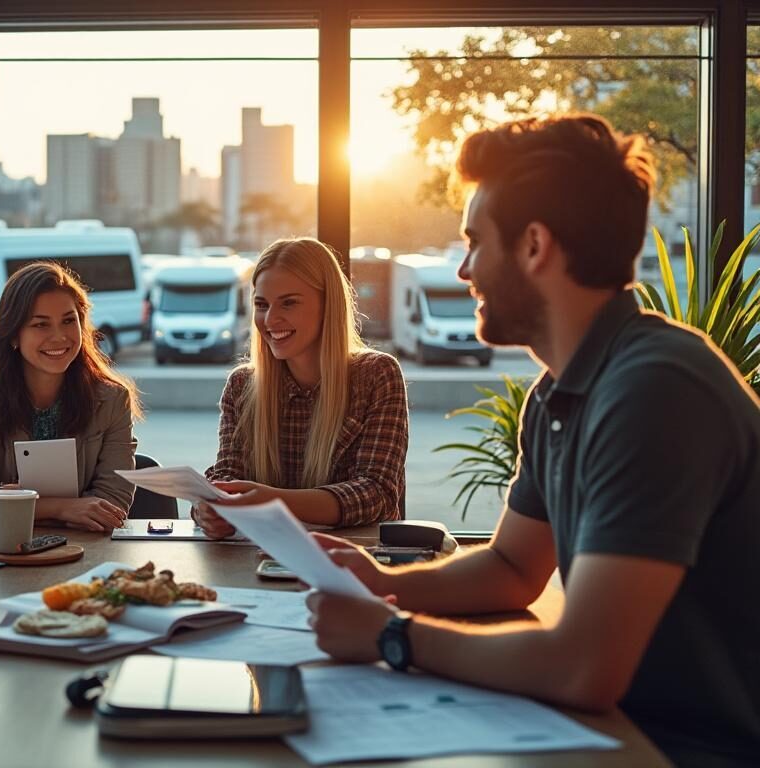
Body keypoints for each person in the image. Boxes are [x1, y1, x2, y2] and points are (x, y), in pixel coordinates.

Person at [308, 115, 760, 767]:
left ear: (534, 246)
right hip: (614, 729)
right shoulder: (559, 393)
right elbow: (514, 569)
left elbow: (585, 667)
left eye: (473, 242)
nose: (463, 269)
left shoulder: (656, 388)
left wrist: (392, 636)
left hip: (691, 748)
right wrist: (384, 585)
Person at [191, 237, 408, 536]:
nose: (270, 319)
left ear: (328, 305)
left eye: (289, 303)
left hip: (354, 563)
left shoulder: (376, 375)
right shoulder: (242, 386)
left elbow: (377, 494)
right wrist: (209, 509)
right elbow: (227, 474)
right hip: (258, 560)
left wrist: (273, 501)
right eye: (261, 304)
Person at [0, 262, 141, 529]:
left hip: (87, 551)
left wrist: (13, 503)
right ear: (13, 334)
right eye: (40, 325)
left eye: (68, 321)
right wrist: (62, 508)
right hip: (1, 550)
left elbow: (111, 501)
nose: (59, 337)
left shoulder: (113, 398)